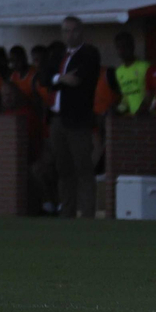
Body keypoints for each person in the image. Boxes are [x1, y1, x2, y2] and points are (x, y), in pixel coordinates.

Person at [50, 15, 102, 219]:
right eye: (65, 30)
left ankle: (88, 215)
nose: (69, 34)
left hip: (78, 120)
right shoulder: (57, 54)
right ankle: (67, 213)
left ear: (81, 32)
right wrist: (60, 78)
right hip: (57, 119)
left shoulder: (89, 53)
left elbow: (78, 80)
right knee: (63, 170)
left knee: (83, 169)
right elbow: (46, 77)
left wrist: (58, 80)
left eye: (73, 30)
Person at [111, 32, 153, 116]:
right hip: (133, 120)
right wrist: (117, 110)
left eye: (125, 46)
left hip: (150, 118)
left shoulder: (145, 67)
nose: (122, 50)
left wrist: (145, 109)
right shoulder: (119, 72)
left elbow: (153, 93)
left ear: (132, 47)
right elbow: (125, 98)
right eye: (119, 47)